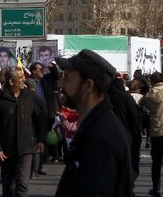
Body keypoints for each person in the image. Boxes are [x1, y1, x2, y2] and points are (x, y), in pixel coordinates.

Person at [54, 49, 133, 197]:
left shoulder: (99, 135)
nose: (61, 83)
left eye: (67, 77)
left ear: (87, 86)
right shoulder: (94, 124)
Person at [0, 67, 46, 197]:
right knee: (8, 186)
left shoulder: (30, 96)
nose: (24, 79)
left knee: (22, 185)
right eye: (20, 78)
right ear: (12, 82)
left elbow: (40, 118)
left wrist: (40, 139)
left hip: (26, 148)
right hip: (6, 150)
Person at [140, 71, 163, 197]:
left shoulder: (150, 94)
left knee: (157, 161)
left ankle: (156, 188)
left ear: (152, 82)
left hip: (157, 130)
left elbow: (142, 106)